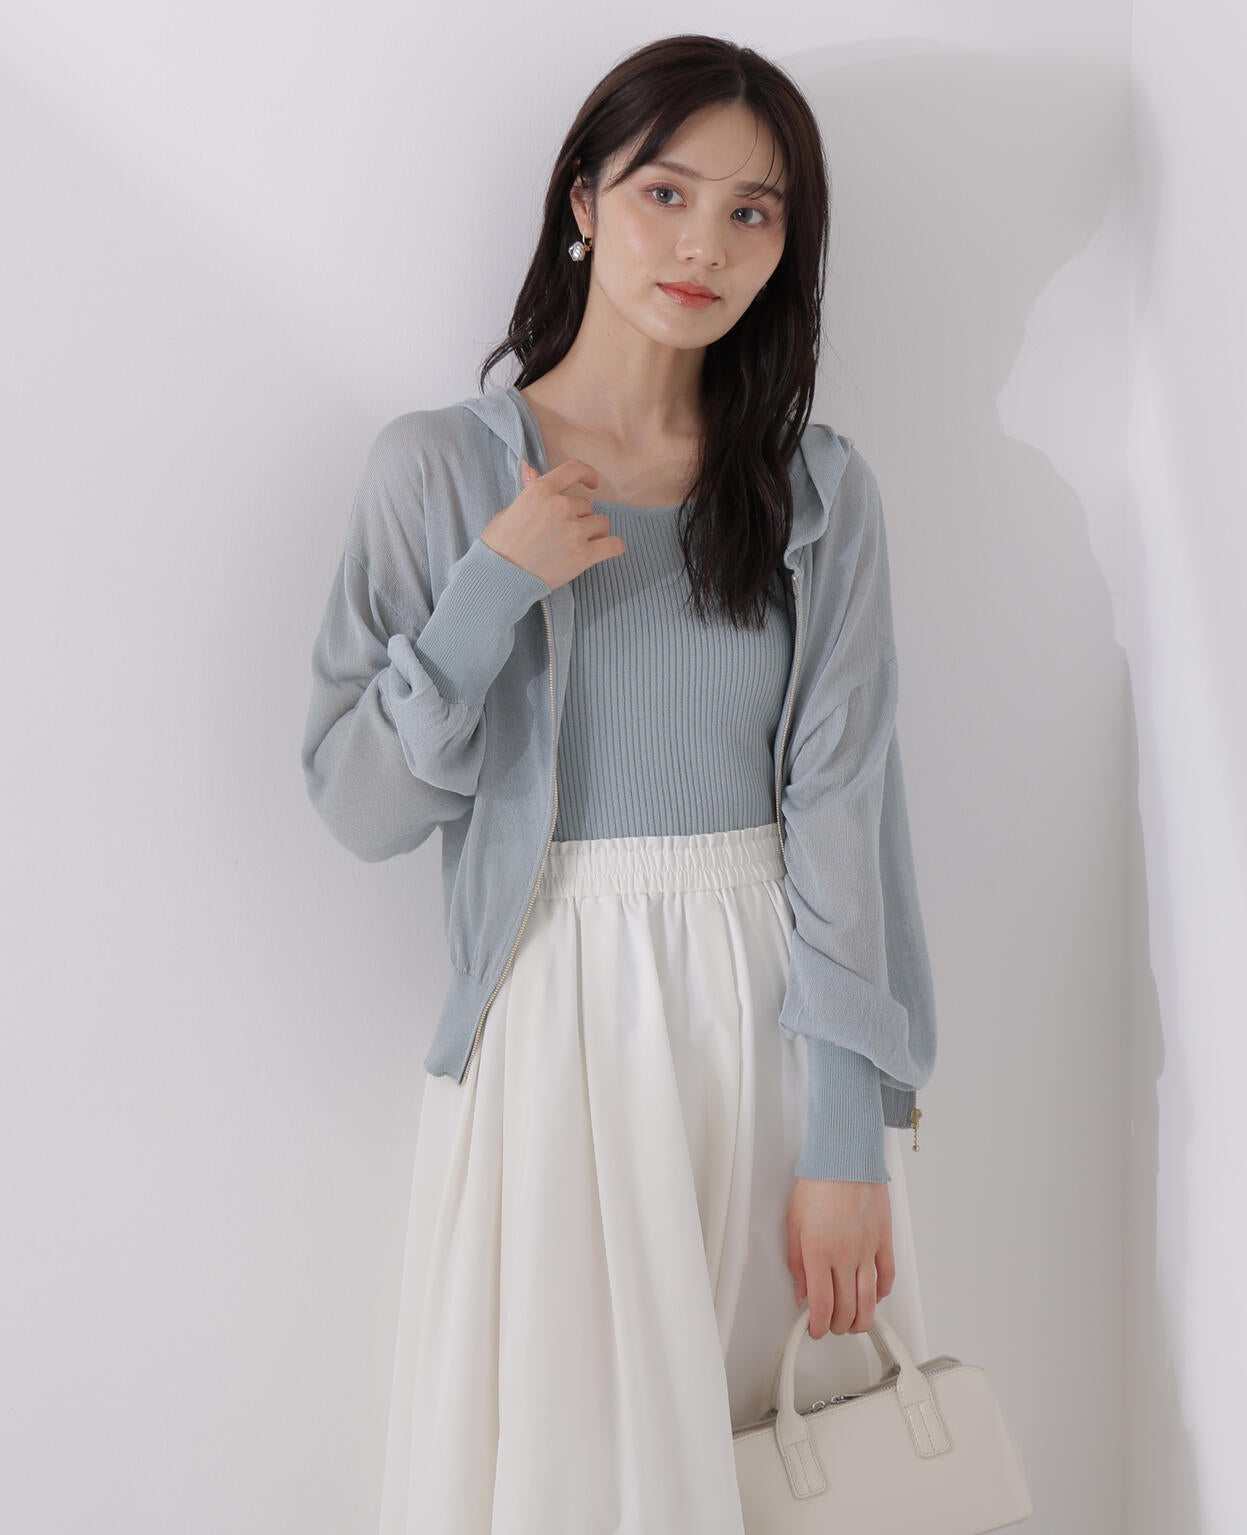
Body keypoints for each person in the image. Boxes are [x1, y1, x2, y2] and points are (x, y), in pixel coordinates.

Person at [301, 33, 939, 1535]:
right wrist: (483, 598)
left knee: (799, 1474)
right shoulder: (436, 471)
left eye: (751, 211)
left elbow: (845, 813)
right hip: (554, 1033)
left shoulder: (819, 493)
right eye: (666, 191)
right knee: (576, 1482)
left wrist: (847, 1137)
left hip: (777, 1026)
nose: (704, 244)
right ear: (582, 201)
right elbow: (358, 808)